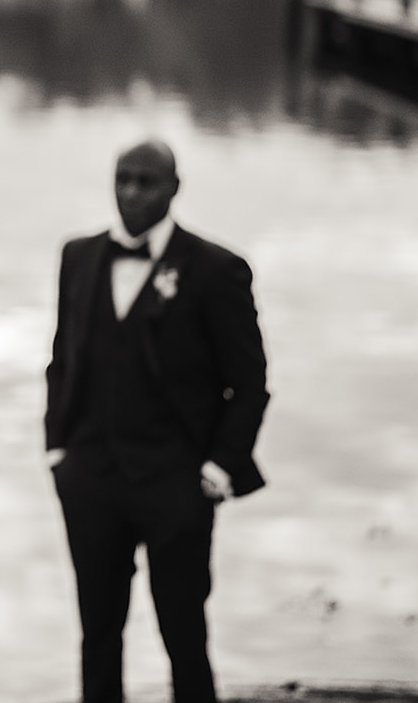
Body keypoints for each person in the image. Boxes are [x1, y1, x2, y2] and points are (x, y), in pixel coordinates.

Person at [45, 140, 269, 703]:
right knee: (97, 635)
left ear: (175, 187)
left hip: (177, 484)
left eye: (146, 181)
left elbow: (248, 383)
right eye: (123, 179)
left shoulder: (217, 270)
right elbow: (62, 360)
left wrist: (219, 468)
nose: (131, 192)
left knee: (184, 635)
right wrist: (57, 450)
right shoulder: (78, 256)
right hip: (91, 480)